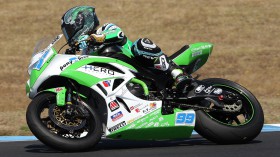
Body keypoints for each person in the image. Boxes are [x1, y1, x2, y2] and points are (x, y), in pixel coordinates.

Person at [61, 6, 190, 92]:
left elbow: (118, 34)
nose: (70, 35)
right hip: (122, 83)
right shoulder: (86, 52)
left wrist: (96, 38)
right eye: (68, 32)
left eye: (70, 30)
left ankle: (177, 74)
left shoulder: (105, 29)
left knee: (141, 44)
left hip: (140, 66)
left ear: (82, 23)